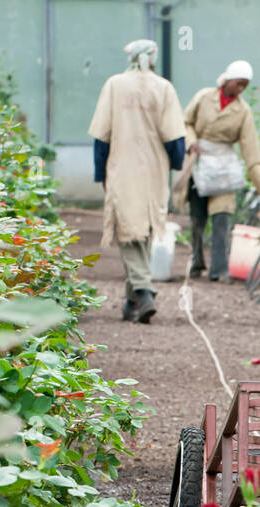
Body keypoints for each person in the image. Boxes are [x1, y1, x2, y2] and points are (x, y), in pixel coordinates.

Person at [88, 38, 186, 323]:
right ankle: (132, 302)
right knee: (140, 229)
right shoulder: (164, 88)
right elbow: (175, 138)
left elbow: (101, 135)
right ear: (152, 59)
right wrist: (174, 165)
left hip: (122, 166)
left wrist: (101, 172)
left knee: (128, 228)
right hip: (154, 169)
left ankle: (143, 291)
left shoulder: (115, 85)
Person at [178, 60, 260, 280]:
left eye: (244, 86)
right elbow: (186, 122)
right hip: (200, 163)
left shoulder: (243, 112)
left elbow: (251, 149)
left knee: (222, 218)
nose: (240, 89)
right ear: (228, 80)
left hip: (224, 169)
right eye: (238, 84)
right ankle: (196, 261)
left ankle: (219, 269)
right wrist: (191, 141)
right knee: (197, 217)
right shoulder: (204, 98)